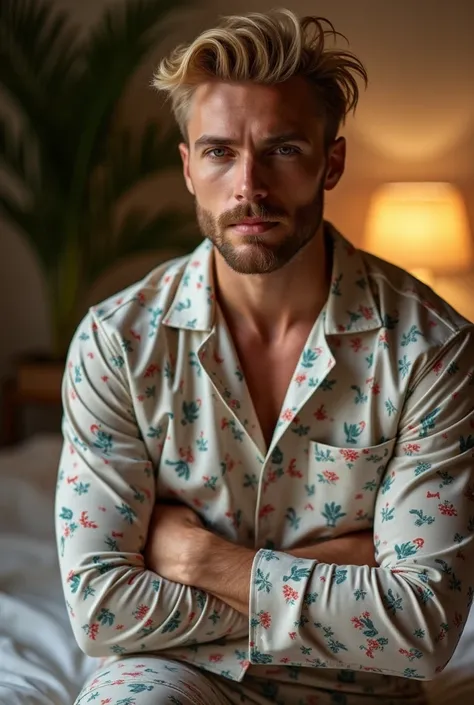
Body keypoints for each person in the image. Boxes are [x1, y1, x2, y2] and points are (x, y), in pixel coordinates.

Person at [55, 9, 474, 705]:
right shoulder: (118, 343)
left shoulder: (431, 349)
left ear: (330, 161)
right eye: (220, 152)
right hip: (176, 675)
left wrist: (200, 560)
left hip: (364, 689)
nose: (248, 185)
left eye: (281, 149)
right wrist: (345, 577)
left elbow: (421, 628)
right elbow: (99, 608)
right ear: (189, 168)